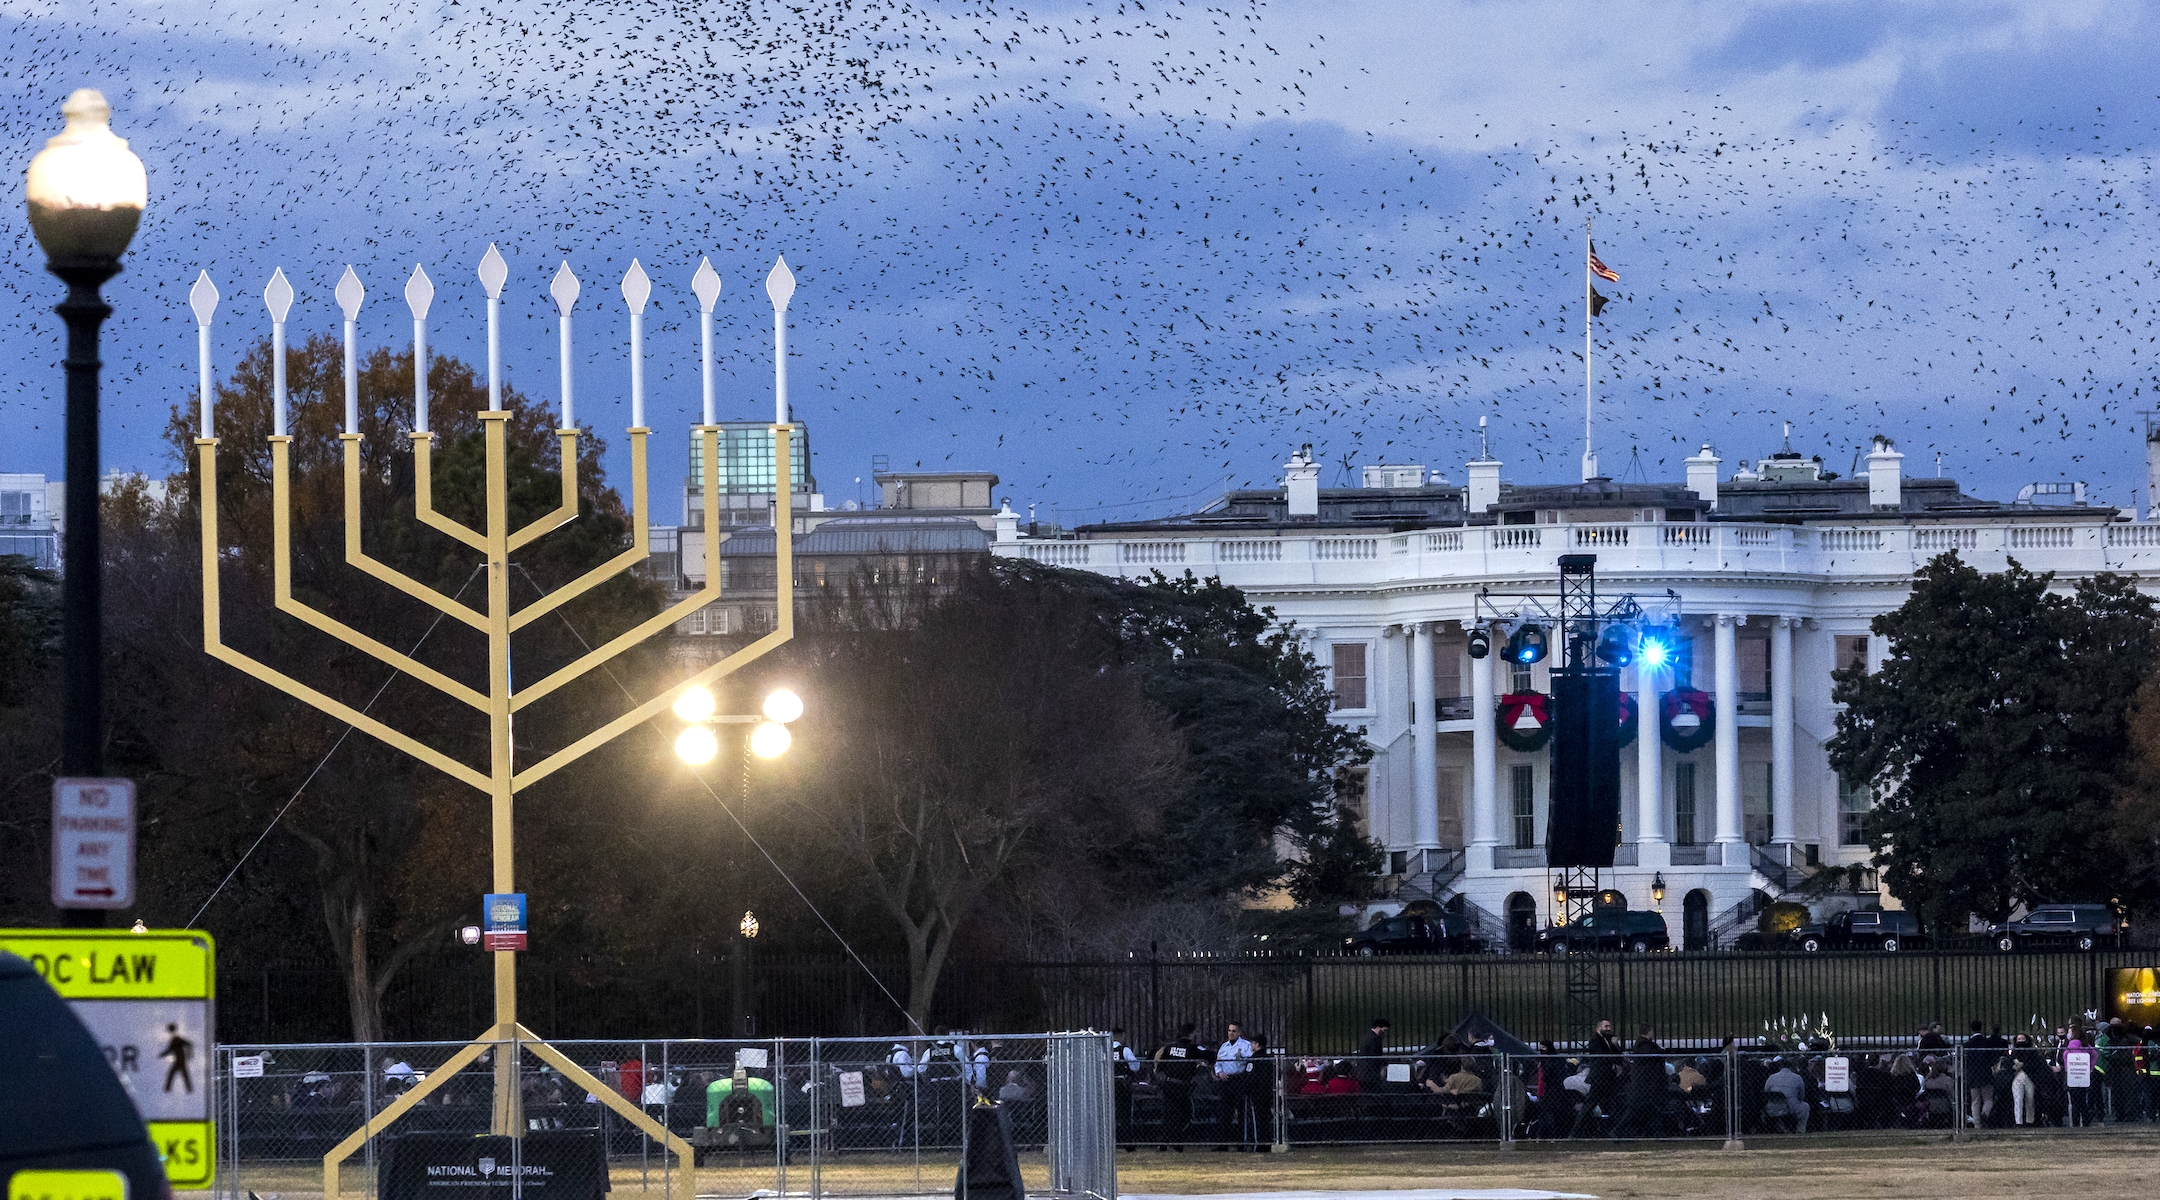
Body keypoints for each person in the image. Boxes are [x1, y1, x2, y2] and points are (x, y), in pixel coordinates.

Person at [1569, 1018, 1622, 1138]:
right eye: (1606, 1026)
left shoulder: (1608, 1040)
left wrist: (1616, 1045)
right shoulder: (1595, 1041)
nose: (1608, 1029)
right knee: (1590, 1104)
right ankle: (1575, 1132)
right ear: (1599, 1028)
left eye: (1609, 1026)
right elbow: (1603, 1057)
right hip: (1600, 1078)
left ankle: (1614, 1130)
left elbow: (1617, 1056)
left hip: (1609, 1077)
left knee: (1614, 1102)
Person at [1153, 1023, 1203, 1150]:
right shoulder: (1191, 1049)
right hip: (1182, 1087)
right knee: (1183, 1115)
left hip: (1169, 1085)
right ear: (1191, 1034)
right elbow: (1207, 1055)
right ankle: (1176, 1142)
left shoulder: (1169, 1048)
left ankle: (1164, 1142)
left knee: (1168, 1115)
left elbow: (1160, 1067)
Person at [1614, 1025, 1666, 1139]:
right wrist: (1661, 1050)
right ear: (1649, 1031)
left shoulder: (1642, 1044)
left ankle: (1659, 1134)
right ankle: (1618, 1130)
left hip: (1646, 1085)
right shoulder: (1644, 1045)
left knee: (1651, 1109)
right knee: (1637, 1110)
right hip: (1645, 1085)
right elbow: (1652, 1056)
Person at [1213, 1020, 1257, 1151]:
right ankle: (1223, 1143)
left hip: (1239, 1080)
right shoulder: (1224, 1046)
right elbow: (1217, 1062)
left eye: (1234, 1031)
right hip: (1225, 1081)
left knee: (1242, 1113)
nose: (1231, 1033)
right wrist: (1219, 1072)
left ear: (1239, 1032)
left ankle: (1241, 1143)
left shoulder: (1245, 1045)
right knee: (1224, 1113)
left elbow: (1251, 1058)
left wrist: (1241, 1056)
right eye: (1229, 1030)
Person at [1964, 1020, 2006, 1128]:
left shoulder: (1968, 1044)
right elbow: (1992, 1058)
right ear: (1981, 1028)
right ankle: (1985, 1113)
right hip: (1985, 1074)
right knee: (1988, 1098)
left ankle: (1977, 1124)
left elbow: (1965, 1061)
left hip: (1973, 1075)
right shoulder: (1987, 1042)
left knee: (1975, 1100)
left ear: (1971, 1029)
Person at [1109, 1028, 1140, 1151]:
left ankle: (1110, 1141)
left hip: (1107, 1084)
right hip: (1122, 1085)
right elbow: (1135, 1067)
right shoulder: (1125, 1050)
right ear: (1121, 1036)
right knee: (1125, 1113)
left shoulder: (1104, 1050)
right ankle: (1127, 1142)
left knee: (1108, 1114)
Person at [1761, 1058, 1808, 1134]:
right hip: (1791, 1107)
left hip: (1772, 1107)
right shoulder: (1797, 1077)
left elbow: (1766, 1092)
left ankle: (1781, 1128)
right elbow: (1802, 1095)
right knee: (1805, 1106)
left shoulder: (1772, 1077)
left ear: (1780, 1066)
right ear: (1792, 1066)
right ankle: (1800, 1130)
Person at [1356, 1017, 1390, 1092]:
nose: (1385, 1033)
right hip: (1371, 1074)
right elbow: (1376, 1057)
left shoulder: (1367, 1037)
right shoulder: (1375, 1039)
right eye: (1384, 1030)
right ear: (1378, 1028)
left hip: (1363, 1072)